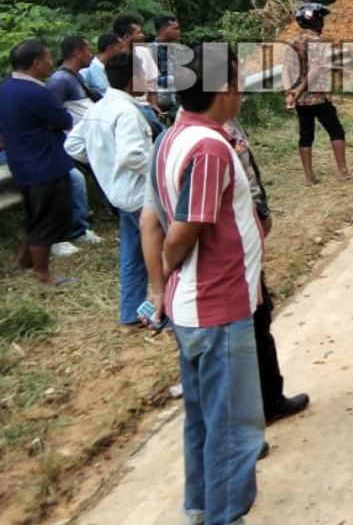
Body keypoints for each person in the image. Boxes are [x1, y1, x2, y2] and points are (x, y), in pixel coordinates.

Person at [151, 44, 264, 525]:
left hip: (194, 307)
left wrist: (164, 287)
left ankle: (200, 505)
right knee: (235, 427)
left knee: (203, 419)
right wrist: (170, 265)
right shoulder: (211, 147)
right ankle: (226, 514)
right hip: (216, 304)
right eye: (237, 82)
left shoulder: (174, 134)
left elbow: (147, 217)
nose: (241, 92)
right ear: (222, 89)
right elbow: (181, 230)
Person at [223, 117, 311, 428]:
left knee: (260, 317)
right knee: (244, 330)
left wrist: (261, 211)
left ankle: (271, 399)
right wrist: (259, 211)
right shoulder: (209, 138)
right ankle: (247, 424)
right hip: (230, 247)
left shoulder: (226, 124)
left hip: (246, 238)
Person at [64, 52, 152, 328]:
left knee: (132, 256)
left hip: (118, 195)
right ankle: (167, 312)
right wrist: (164, 171)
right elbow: (133, 156)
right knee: (165, 252)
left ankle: (130, 314)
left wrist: (104, 162)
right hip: (142, 197)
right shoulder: (127, 112)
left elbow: (73, 146)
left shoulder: (97, 109)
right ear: (132, 80)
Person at [0, 40, 76, 285]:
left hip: (20, 161)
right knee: (47, 217)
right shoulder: (37, 92)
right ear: (36, 63)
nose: (51, 63)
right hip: (44, 163)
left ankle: (24, 259)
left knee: (33, 213)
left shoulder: (6, 88)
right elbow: (64, 120)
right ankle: (42, 273)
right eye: (47, 58)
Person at [284, 2, 353, 186]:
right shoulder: (318, 42)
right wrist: (301, 88)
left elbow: (286, 69)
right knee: (336, 131)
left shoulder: (293, 42)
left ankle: (309, 177)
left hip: (301, 101)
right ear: (315, 21)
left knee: (306, 135)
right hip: (318, 96)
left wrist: (290, 92)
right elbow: (316, 69)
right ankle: (344, 171)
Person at [45, 35, 101, 249]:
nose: (91, 54)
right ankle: (75, 230)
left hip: (90, 138)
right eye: (88, 50)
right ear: (78, 52)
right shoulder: (60, 81)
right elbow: (52, 116)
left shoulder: (76, 76)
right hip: (72, 144)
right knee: (74, 179)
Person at [153, 14, 186, 115]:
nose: (178, 31)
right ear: (163, 31)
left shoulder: (172, 50)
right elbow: (150, 79)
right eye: (175, 29)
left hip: (173, 99)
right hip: (159, 102)